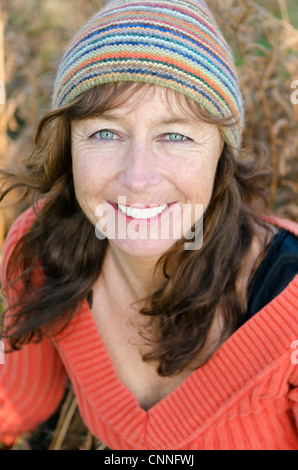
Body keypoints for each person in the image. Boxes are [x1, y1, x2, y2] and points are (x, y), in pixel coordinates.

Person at [0, 0, 297, 451]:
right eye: (105, 132)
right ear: (68, 147)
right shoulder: (42, 249)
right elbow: (18, 401)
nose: (137, 178)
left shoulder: (287, 306)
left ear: (221, 156)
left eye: (175, 135)